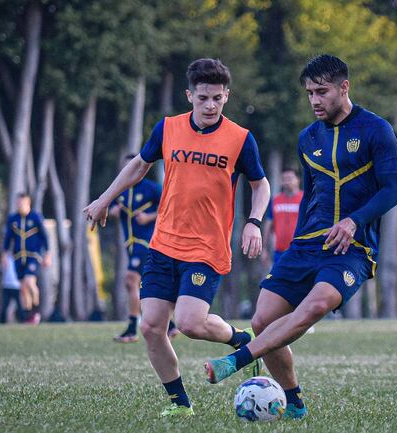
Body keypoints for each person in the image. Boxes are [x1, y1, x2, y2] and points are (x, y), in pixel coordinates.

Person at [204, 55, 397, 421]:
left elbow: (394, 190)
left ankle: (238, 360)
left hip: (351, 249)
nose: (314, 100)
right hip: (305, 245)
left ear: (344, 87)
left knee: (314, 306)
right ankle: (294, 403)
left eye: (322, 91)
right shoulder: (307, 137)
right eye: (309, 92)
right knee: (263, 321)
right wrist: (292, 247)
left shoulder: (377, 130)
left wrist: (354, 222)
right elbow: (310, 198)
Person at [83, 58, 271, 417]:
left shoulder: (240, 138)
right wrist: (105, 199)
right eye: (203, 98)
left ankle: (242, 341)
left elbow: (260, 184)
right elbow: (140, 165)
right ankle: (180, 403)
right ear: (190, 96)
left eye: (217, 98)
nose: (210, 105)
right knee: (151, 326)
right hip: (164, 243)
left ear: (227, 96)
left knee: (188, 323)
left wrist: (253, 222)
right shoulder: (167, 128)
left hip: (206, 247)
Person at [108, 154, 179, 343]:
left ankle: (132, 328)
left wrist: (149, 217)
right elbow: (113, 207)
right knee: (145, 285)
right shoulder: (121, 190)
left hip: (148, 242)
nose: (128, 172)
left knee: (131, 280)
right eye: (125, 169)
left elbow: (170, 207)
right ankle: (169, 325)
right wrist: (113, 212)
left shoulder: (151, 188)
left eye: (131, 167)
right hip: (130, 243)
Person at [2, 193, 50, 324]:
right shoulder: (13, 219)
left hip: (33, 256)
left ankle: (36, 311)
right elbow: (8, 238)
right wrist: (5, 255)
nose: (19, 205)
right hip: (18, 257)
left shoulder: (35, 217)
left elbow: (45, 237)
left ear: (28, 203)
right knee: (23, 288)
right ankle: (29, 317)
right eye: (18, 203)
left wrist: (47, 255)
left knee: (30, 282)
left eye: (22, 203)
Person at [262, 167, 304, 265]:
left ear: (298, 180)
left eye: (289, 178)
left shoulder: (305, 200)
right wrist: (264, 249)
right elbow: (268, 225)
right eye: (284, 179)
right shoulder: (275, 201)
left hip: (301, 252)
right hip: (279, 252)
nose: (286, 182)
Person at [0, 252, 23, 323]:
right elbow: (2, 268)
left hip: (17, 286)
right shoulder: (6, 258)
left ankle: (23, 321)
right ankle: (2, 322)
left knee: (20, 306)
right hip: (7, 286)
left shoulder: (19, 258)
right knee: (4, 306)